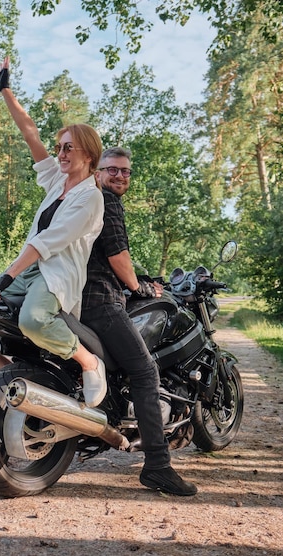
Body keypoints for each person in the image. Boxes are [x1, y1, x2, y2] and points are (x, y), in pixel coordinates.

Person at [0, 57, 106, 408]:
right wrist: (5, 90)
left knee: (32, 320)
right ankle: (3, 367)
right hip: (26, 271)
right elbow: (29, 131)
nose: (59, 153)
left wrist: (6, 276)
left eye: (67, 148)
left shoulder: (90, 198)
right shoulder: (56, 180)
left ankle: (88, 361)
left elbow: (49, 242)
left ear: (88, 153)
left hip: (54, 276)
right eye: (59, 147)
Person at [81, 147, 197, 495]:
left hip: (74, 297)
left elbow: (102, 255)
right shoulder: (107, 202)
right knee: (146, 372)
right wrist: (137, 286)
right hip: (100, 301)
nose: (120, 176)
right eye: (112, 170)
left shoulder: (83, 199)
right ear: (97, 173)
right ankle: (158, 467)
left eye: (126, 171)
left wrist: (142, 278)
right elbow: (117, 256)